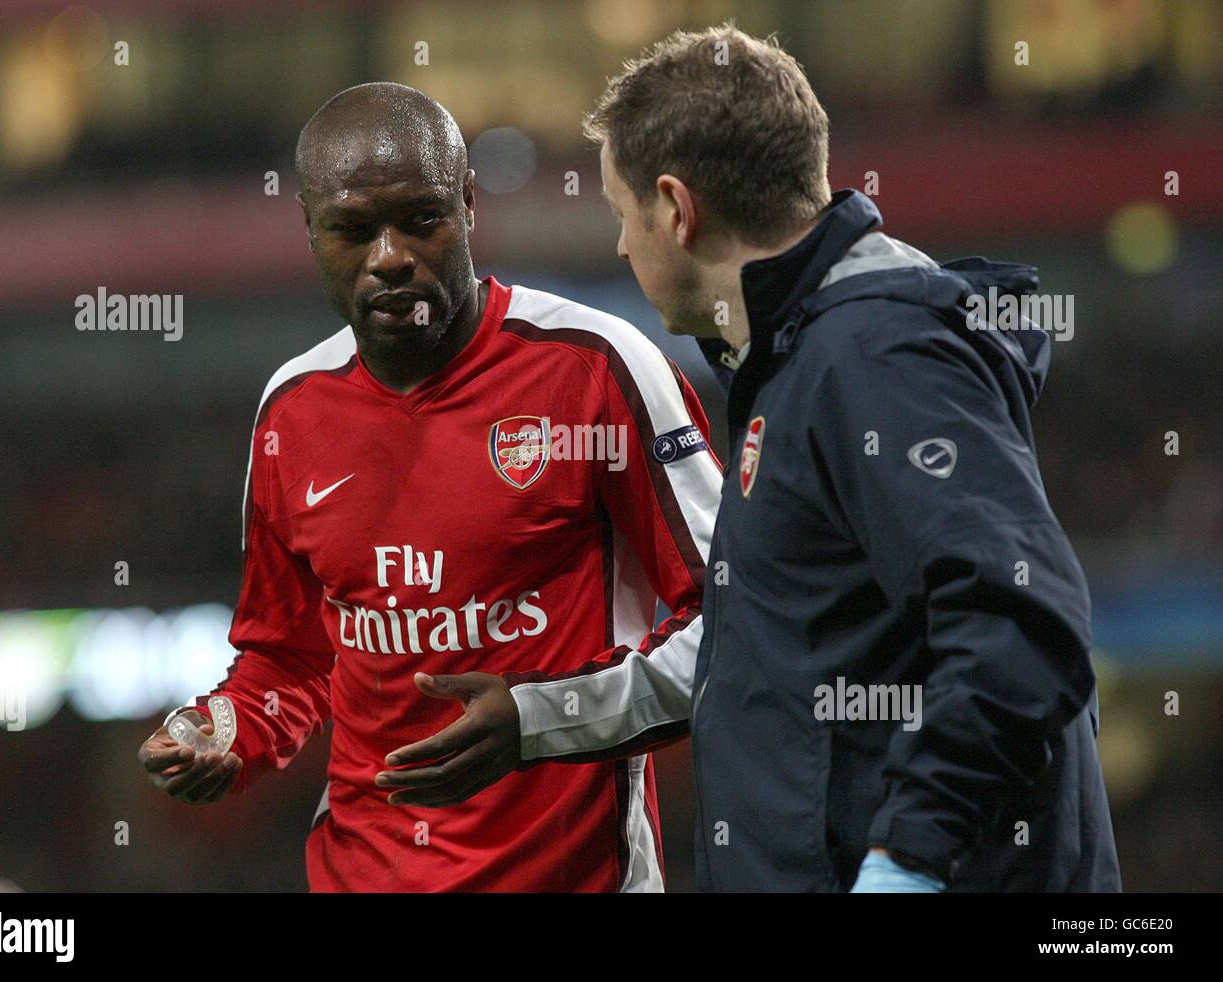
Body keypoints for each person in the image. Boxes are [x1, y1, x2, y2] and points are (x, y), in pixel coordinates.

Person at [380, 26, 1122, 893]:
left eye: (622, 215)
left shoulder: (874, 358)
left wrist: (909, 862)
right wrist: (543, 714)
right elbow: (769, 651)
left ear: (677, 208)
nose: (622, 247)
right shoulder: (806, 358)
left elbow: (1022, 620)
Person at [136, 82, 722, 892]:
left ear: (469, 207)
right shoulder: (292, 411)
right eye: (351, 229)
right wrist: (223, 727)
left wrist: (539, 722)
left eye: (420, 220)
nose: (388, 257)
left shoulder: (598, 370)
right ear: (310, 232)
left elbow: (738, 624)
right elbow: (291, 655)